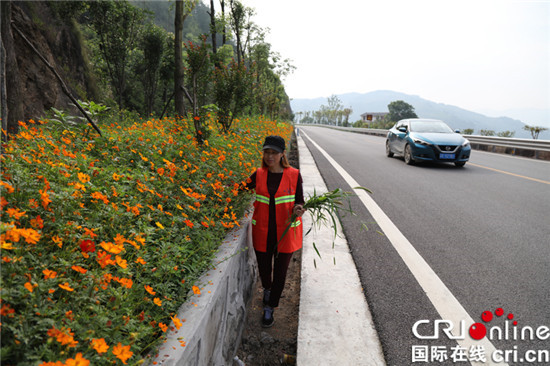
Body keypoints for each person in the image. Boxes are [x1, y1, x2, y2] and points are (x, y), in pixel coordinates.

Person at [245, 135, 305, 328]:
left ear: (282, 154)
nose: (269, 156)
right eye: (266, 152)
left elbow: (300, 200)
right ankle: (267, 289)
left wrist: (298, 208)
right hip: (262, 231)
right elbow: (240, 189)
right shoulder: (259, 174)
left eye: (274, 153)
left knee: (280, 273)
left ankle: (270, 306)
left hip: (286, 233)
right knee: (265, 271)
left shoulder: (294, 175)